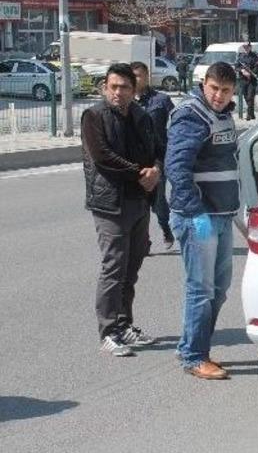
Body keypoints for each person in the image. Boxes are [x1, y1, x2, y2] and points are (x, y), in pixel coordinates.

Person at [165, 62, 240, 380]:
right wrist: (195, 214)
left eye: (225, 90)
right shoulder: (191, 115)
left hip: (222, 215)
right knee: (201, 290)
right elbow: (176, 167)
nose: (219, 96)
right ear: (204, 84)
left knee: (219, 289)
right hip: (199, 217)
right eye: (214, 88)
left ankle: (197, 347)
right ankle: (194, 355)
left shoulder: (223, 115)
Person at [81, 63, 160, 357]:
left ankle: (125, 325)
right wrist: (141, 172)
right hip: (109, 204)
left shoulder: (141, 115)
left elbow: (155, 148)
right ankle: (108, 330)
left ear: (133, 89)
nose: (118, 92)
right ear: (105, 88)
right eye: (112, 86)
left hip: (138, 201)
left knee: (132, 267)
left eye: (124, 87)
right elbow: (103, 157)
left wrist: (156, 171)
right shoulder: (94, 116)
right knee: (113, 268)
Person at [131, 61, 176, 251]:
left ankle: (166, 228)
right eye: (132, 76)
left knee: (157, 202)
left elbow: (177, 124)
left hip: (159, 158)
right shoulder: (128, 102)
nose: (136, 79)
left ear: (147, 76)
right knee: (139, 202)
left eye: (139, 75)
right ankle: (144, 240)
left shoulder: (162, 100)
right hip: (135, 160)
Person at [235, 42, 258, 121]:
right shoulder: (241, 57)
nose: (246, 49)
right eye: (245, 47)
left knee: (250, 97)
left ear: (250, 47)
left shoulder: (255, 57)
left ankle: (248, 115)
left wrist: (251, 73)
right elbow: (236, 67)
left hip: (252, 80)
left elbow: (257, 67)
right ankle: (252, 113)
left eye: (247, 47)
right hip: (243, 80)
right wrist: (242, 70)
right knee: (246, 97)